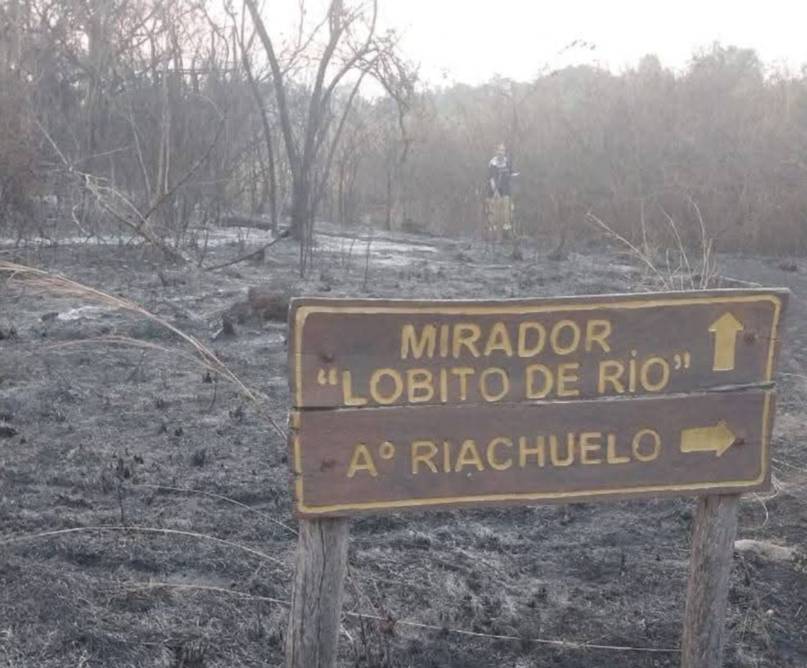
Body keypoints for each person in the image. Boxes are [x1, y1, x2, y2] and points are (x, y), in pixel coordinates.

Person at [485, 144, 515, 240]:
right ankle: (492, 235)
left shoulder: (508, 162)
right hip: (493, 192)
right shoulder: (492, 163)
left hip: (506, 191)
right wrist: (494, 189)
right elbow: (490, 177)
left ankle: (507, 233)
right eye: (499, 150)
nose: (501, 152)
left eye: (503, 150)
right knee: (493, 213)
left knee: (507, 212)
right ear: (496, 151)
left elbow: (511, 174)